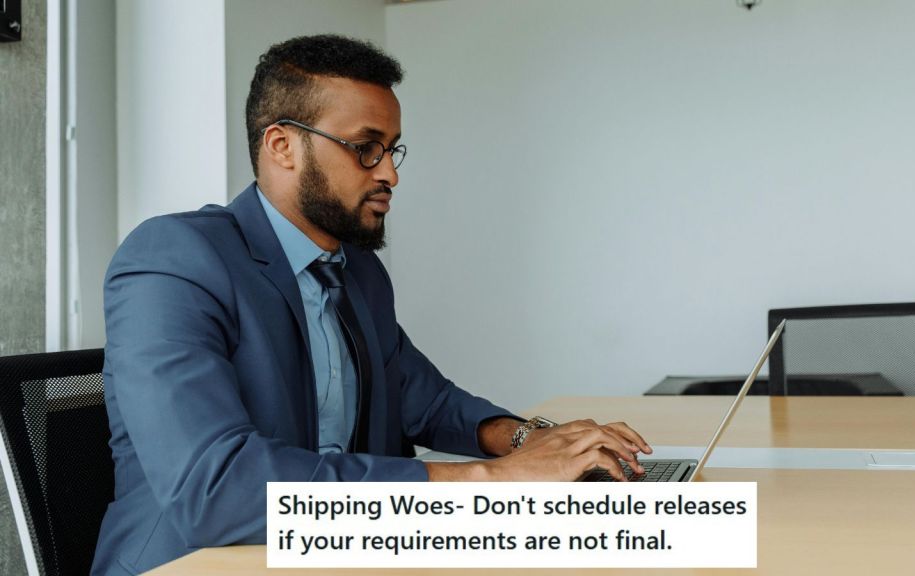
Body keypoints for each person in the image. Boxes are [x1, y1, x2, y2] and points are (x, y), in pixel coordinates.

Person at [92, 35, 651, 576]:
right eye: (365, 148)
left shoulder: (356, 269)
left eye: (391, 148)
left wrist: (535, 442)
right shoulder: (175, 261)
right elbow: (215, 488)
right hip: (203, 564)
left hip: (347, 552)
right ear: (282, 146)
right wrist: (494, 478)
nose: (389, 173)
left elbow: (422, 400)